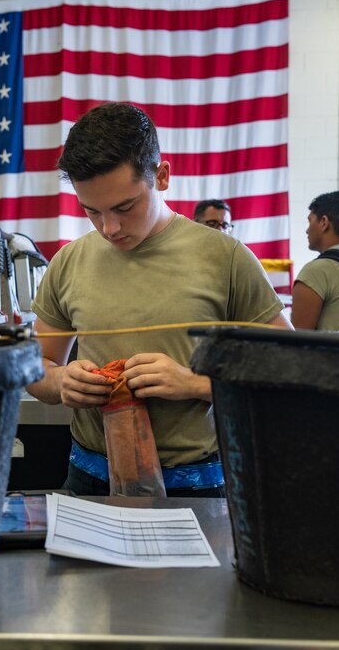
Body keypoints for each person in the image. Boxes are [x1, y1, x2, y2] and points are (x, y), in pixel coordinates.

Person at [28, 102, 292, 497]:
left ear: (162, 176)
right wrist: (62, 382)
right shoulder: (69, 261)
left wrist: (196, 383)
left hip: (197, 487)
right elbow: (38, 366)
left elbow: (288, 371)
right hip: (89, 481)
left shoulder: (226, 258)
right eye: (92, 212)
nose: (109, 228)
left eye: (125, 207)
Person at [291, 190, 339, 330]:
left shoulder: (316, 271)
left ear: (324, 222)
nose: (307, 230)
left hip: (327, 352)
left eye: (310, 221)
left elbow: (297, 339)